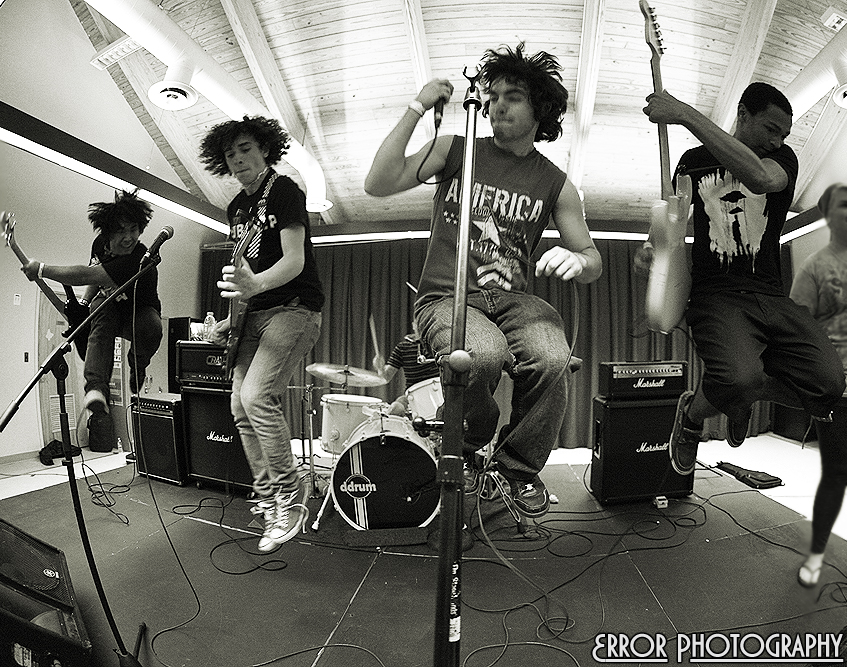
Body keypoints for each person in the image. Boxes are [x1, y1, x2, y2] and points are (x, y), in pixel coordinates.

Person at [365, 43, 602, 518]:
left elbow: (592, 259)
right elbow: (378, 182)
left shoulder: (557, 184)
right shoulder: (455, 149)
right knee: (482, 354)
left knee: (554, 358)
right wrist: (416, 107)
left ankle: (516, 470)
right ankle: (472, 443)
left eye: (512, 97)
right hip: (446, 296)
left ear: (540, 110)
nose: (496, 106)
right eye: (492, 96)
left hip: (513, 300)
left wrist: (577, 261)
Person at [640, 84, 844, 500]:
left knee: (828, 384)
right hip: (716, 295)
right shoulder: (693, 162)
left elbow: (760, 178)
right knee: (738, 377)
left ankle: (740, 397)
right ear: (743, 114)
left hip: (770, 294)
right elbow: (673, 220)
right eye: (771, 128)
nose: (778, 140)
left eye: (784, 134)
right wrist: (652, 246)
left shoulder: (782, 160)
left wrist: (684, 112)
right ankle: (693, 417)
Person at [199, 115, 324, 552]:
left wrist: (255, 287)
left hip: (295, 308)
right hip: (253, 314)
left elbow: (294, 261)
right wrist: (231, 321)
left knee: (256, 396)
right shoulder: (236, 208)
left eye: (246, 149)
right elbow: (244, 275)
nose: (238, 159)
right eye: (230, 154)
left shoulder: (285, 191)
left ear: (265, 150)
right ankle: (270, 498)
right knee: (238, 405)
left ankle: (291, 497)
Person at [22, 190, 163, 452]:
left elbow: (88, 275)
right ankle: (96, 389)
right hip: (110, 307)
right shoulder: (99, 245)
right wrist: (84, 304)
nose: (129, 237)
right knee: (100, 309)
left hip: (139, 313)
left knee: (153, 327)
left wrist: (41, 269)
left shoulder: (138, 257)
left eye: (134, 230)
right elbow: (95, 277)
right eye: (121, 231)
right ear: (108, 233)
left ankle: (138, 363)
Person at [788, 182, 847, 587]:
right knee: (837, 473)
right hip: (838, 389)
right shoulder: (815, 267)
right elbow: (797, 332)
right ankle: (816, 555)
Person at [372, 326, 440, 417]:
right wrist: (380, 367)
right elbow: (386, 377)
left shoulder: (438, 344)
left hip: (440, 392)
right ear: (413, 325)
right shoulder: (402, 347)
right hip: (412, 396)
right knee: (395, 409)